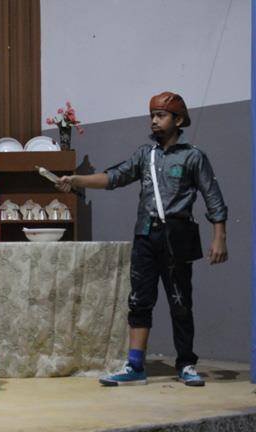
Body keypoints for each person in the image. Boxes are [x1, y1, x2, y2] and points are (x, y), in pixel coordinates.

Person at [56, 91, 228, 387]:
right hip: (146, 236)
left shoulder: (193, 156)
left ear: (178, 120)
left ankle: (186, 363)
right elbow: (114, 177)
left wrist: (219, 237)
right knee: (139, 301)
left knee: (180, 302)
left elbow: (212, 196)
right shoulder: (145, 155)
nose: (154, 121)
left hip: (177, 237)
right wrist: (76, 180)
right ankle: (135, 366)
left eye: (161, 115)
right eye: (152, 116)